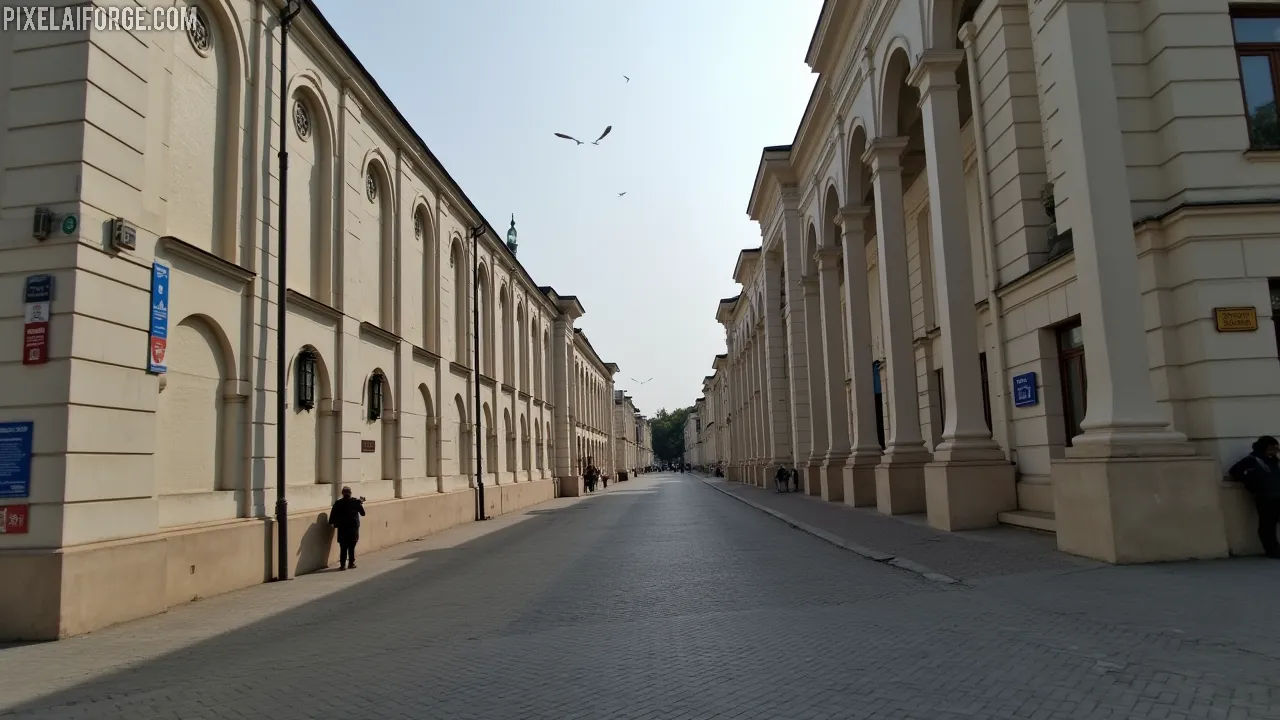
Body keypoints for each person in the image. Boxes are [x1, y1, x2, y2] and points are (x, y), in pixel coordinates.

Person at [1230, 435, 1280, 558]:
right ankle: (1272, 550)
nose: (1274, 452)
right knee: (1268, 525)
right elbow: (1235, 472)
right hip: (1265, 497)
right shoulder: (1252, 459)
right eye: (1270, 449)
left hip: (1277, 495)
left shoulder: (1274, 461)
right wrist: (1251, 482)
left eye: (1275, 449)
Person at [329, 487, 366, 570]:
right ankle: (351, 563)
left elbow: (332, 517)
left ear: (342, 493)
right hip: (353, 528)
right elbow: (363, 513)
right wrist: (360, 503)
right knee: (352, 546)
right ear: (350, 493)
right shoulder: (355, 502)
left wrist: (334, 523)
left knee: (343, 547)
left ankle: (342, 565)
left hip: (342, 528)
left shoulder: (338, 503)